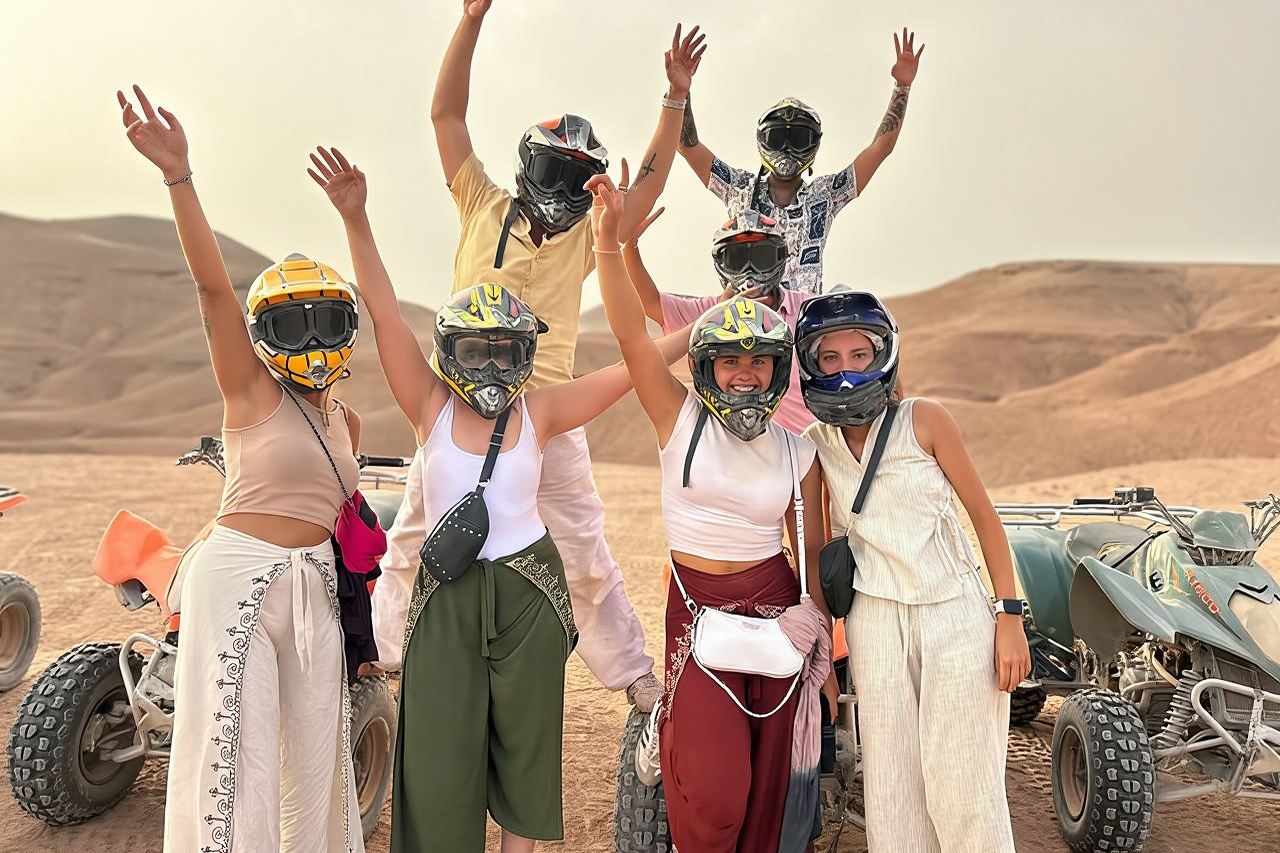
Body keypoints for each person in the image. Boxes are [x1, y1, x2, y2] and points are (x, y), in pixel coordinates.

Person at [308, 146, 689, 851]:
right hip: (447, 600)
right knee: (435, 758)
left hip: (529, 599)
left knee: (527, 752)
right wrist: (355, 219)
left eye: (506, 349)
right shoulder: (430, 406)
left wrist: (702, 326)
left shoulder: (539, 412)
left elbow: (628, 369)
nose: (491, 364)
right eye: (476, 349)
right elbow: (386, 316)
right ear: (451, 351)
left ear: (525, 353)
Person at [370, 2, 708, 712]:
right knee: (413, 535)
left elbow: (648, 182)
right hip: (453, 405)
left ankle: (633, 676)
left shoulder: (593, 236)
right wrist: (470, 22)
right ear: (529, 165)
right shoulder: (480, 203)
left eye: (581, 177)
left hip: (546, 416)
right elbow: (446, 117)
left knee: (583, 551)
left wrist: (674, 96)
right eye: (557, 169)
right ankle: (386, 657)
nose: (569, 188)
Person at [117, 87, 363, 853]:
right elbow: (213, 289)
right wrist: (179, 177)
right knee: (231, 749)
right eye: (293, 321)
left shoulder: (346, 420)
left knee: (319, 751)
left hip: (316, 583)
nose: (312, 335)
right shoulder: (250, 388)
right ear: (266, 333)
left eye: (325, 318)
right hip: (240, 574)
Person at [588, 171, 833, 852]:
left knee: (768, 795)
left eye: (760, 359)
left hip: (780, 615)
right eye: (730, 360)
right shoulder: (678, 420)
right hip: (697, 612)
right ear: (707, 366)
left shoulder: (797, 450)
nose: (745, 372)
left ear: (780, 369)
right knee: (715, 787)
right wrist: (610, 244)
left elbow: (811, 555)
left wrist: (826, 653)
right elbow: (632, 341)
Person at [796, 291, 1030, 852]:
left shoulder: (925, 420)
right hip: (874, 622)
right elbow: (813, 553)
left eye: (858, 354)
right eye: (830, 357)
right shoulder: (813, 445)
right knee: (893, 790)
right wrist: (824, 657)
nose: (845, 369)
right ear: (810, 363)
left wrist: (1010, 617)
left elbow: (985, 518)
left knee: (962, 785)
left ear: (884, 355)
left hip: (953, 611)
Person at [675, 28, 925, 293]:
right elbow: (688, 146)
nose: (787, 148)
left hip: (803, 324)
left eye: (797, 138)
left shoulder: (824, 194)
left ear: (813, 143)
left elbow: (880, 148)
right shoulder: (739, 187)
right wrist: (681, 92)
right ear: (762, 141)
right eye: (778, 138)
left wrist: (902, 87)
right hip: (744, 320)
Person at [621, 206, 818, 435]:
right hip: (732, 452)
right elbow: (649, 303)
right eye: (737, 260)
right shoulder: (707, 313)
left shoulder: (810, 310)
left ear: (781, 259)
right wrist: (629, 247)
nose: (749, 269)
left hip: (803, 449)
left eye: (761, 258)